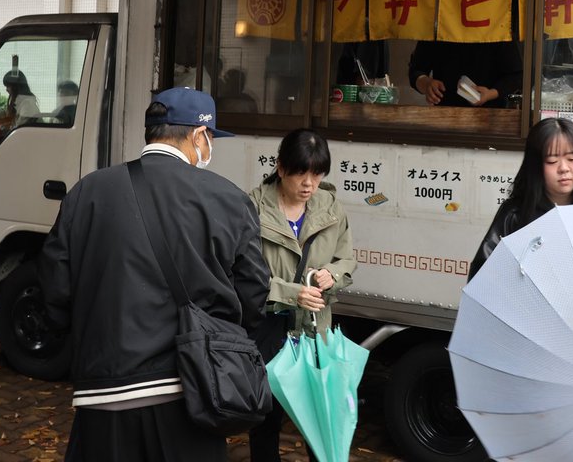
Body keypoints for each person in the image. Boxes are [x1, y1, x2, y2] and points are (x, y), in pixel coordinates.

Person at [38, 87, 269, 462]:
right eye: (210, 139)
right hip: (194, 390)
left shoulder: (88, 191)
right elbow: (254, 294)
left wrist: (82, 337)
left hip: (104, 390)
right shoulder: (229, 199)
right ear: (199, 136)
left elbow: (55, 287)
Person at [247, 128, 355, 462]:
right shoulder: (252, 206)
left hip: (313, 330)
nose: (309, 183)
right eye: (300, 173)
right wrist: (294, 293)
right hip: (267, 330)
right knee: (265, 420)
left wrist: (332, 275)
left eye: (317, 173)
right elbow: (244, 276)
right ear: (281, 168)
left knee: (320, 422)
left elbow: (347, 259)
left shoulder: (331, 206)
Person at [469, 118, 573, 279]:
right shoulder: (515, 215)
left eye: (572, 159)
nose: (564, 168)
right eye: (552, 161)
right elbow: (485, 275)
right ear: (535, 166)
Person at [408, 40, 522, 107]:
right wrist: (426, 84)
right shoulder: (439, 28)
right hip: (445, 114)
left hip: (490, 116)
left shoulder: (496, 29)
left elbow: (516, 76)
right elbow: (415, 71)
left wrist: (490, 94)